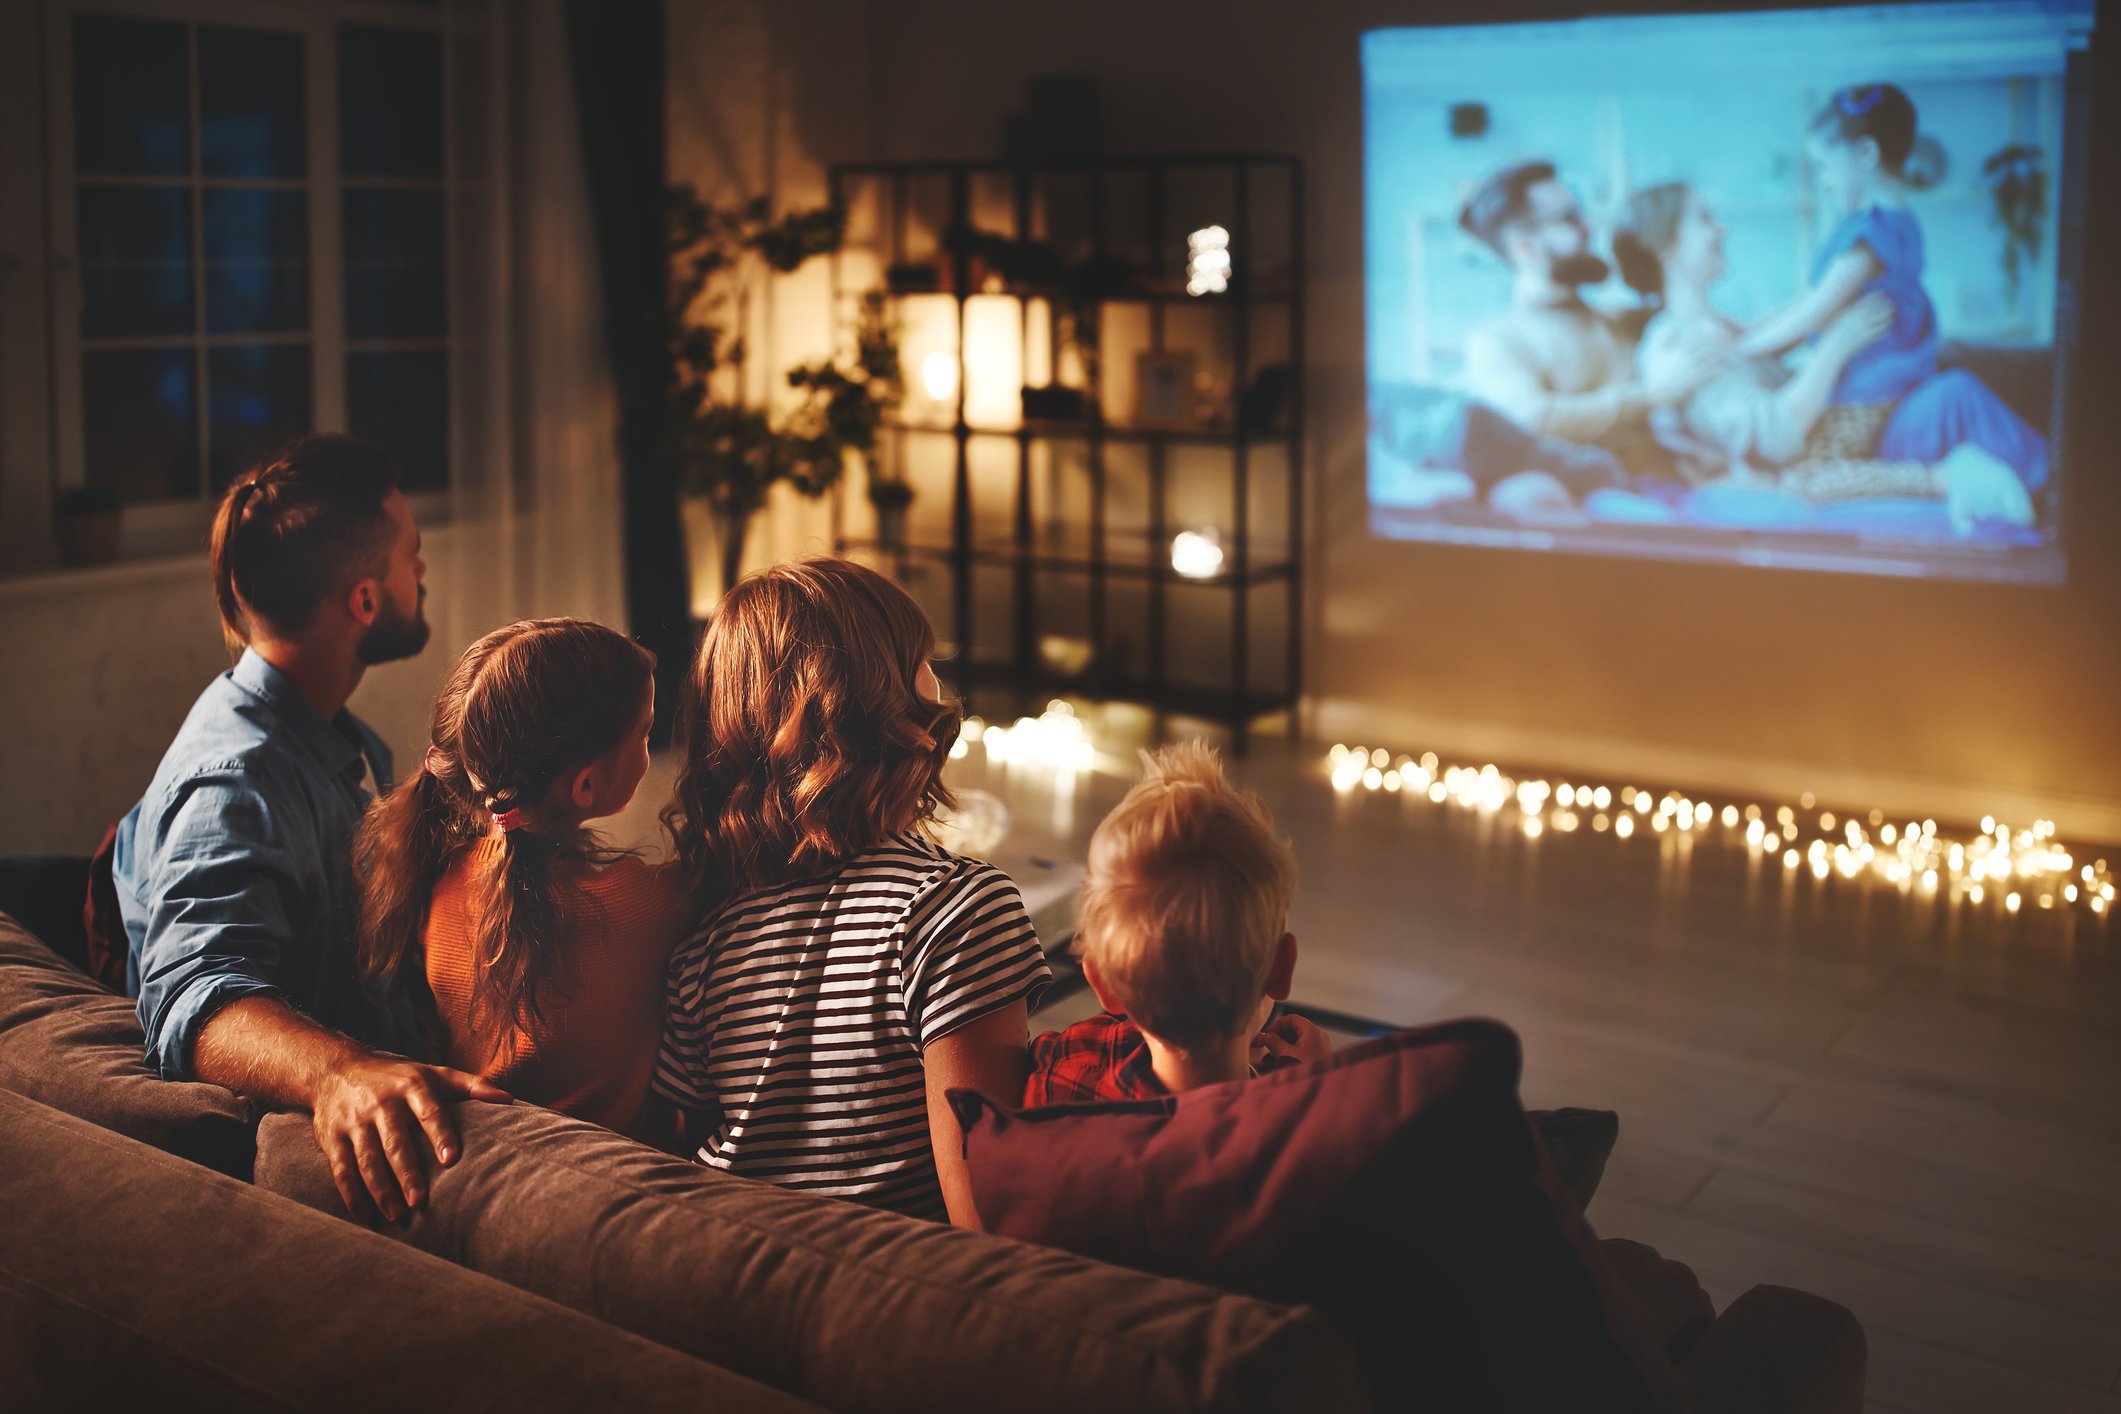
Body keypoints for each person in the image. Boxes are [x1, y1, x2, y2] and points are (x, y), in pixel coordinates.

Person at [114, 434, 507, 1225]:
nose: (422, 573)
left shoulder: (314, 732)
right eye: (412, 557)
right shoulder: (235, 783)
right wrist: (339, 1073)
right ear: (364, 601)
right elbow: (194, 995)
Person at [1028, 741, 1617, 1212]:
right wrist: (1320, 1081)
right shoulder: (1322, 1141)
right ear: (1282, 967)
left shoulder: (1061, 1075)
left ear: (1100, 982)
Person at [653, 559, 1052, 1228]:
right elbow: (988, 1212)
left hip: (733, 1265)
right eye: (923, 661)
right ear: (884, 699)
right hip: (889, 1289)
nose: (938, 682)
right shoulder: (955, 910)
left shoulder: (702, 934)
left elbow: (681, 1135)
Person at [354, 618, 680, 1145]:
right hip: (620, 1163)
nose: (648, 742)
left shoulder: (436, 885)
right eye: (644, 733)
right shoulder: (645, 904)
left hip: (496, 1149)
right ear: (586, 784)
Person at [1614, 181, 2036, 530]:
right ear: (1665, 247)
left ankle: (2054, 495)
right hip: (1804, 474)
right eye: (1704, 219)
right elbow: (1774, 438)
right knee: (1955, 398)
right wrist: (1838, 346)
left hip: (1833, 446)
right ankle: (2056, 502)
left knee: (1953, 390)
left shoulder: (1724, 326)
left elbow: (1793, 320)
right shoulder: (1680, 348)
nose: (1722, 228)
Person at [1736, 83, 2048, 490]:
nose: (1823, 181)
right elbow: (1806, 302)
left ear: (1866, 154)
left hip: (1867, 397)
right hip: (1891, 385)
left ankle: (1958, 480)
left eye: (1826, 166)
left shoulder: (1871, 239)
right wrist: (1748, 329)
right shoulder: (1896, 224)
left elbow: (1815, 309)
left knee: (1799, 477)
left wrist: (1740, 349)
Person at [1459, 160, 1720, 472]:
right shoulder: (1497, 340)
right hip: (1601, 504)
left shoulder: (1621, 322)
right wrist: (1654, 395)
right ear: (1526, 246)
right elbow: (1531, 417)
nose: (1589, 227)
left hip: (1676, 490)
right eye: (1569, 219)